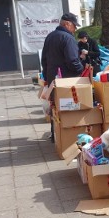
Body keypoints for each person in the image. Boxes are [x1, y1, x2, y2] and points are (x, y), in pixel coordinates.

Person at [41, 12, 85, 141]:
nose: (75, 29)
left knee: (55, 108)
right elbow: (73, 61)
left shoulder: (50, 36)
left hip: (53, 79)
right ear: (67, 24)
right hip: (67, 80)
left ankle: (56, 135)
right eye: (74, 26)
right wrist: (81, 70)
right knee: (69, 108)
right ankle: (68, 138)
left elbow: (44, 60)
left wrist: (47, 76)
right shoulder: (68, 38)